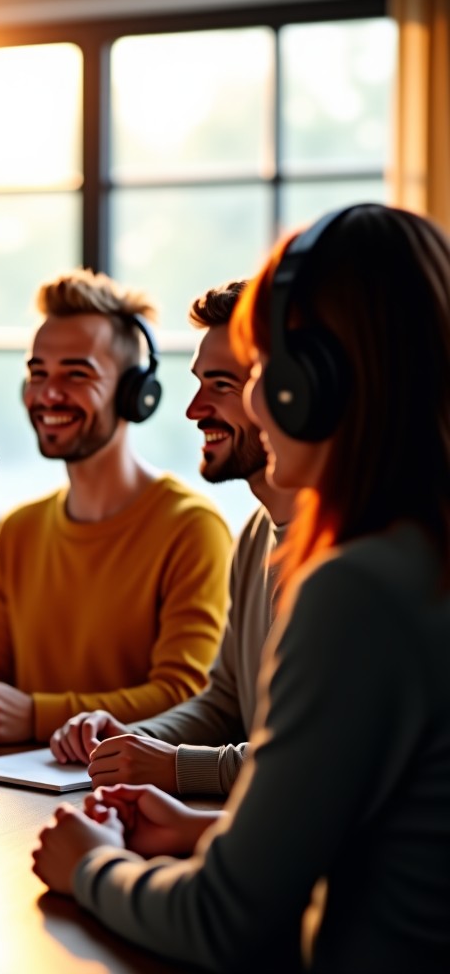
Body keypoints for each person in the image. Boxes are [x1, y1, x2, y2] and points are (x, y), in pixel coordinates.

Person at [32, 204, 450, 972]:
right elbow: (375, 833)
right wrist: (205, 829)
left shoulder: (358, 588)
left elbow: (220, 921)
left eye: (264, 374)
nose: (255, 401)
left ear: (316, 384)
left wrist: (88, 864)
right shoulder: (415, 548)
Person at [0, 268, 232, 744]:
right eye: (38, 373)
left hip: (120, 780)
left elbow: (183, 695)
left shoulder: (191, 527)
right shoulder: (20, 528)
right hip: (12, 780)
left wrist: (36, 715)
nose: (49, 393)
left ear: (135, 394)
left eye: (76, 374)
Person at [50, 280, 298, 797]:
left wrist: (175, 766)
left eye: (222, 385)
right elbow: (224, 702)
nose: (193, 409)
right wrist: (136, 738)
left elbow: (312, 758)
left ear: (287, 394)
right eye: (199, 383)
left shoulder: (348, 551)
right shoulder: (256, 534)